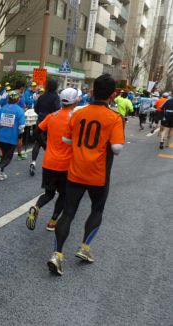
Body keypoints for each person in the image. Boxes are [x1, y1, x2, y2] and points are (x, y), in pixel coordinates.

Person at [47, 74, 125, 276]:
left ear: (91, 92)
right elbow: (116, 148)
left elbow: (66, 139)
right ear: (113, 95)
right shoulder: (115, 118)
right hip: (99, 174)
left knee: (69, 212)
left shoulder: (78, 114)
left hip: (75, 171)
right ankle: (84, 248)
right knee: (96, 210)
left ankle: (57, 255)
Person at [26, 88, 78, 231]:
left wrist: (45, 145)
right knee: (64, 194)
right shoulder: (75, 118)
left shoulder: (52, 116)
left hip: (49, 162)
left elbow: (36, 132)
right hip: (66, 165)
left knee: (49, 193)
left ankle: (36, 207)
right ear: (74, 101)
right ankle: (52, 222)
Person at [0, 91, 26, 181]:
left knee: (4, 155)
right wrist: (18, 133)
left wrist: (2, 126)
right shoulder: (19, 110)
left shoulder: (2, 108)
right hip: (12, 137)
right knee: (8, 157)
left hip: (1, 136)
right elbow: (22, 126)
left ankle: (1, 172)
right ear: (17, 100)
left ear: (8, 99)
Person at [29, 79, 61, 176]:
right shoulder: (56, 97)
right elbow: (57, 110)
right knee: (51, 143)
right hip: (51, 123)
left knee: (37, 142)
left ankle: (33, 162)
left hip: (40, 121)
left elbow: (36, 108)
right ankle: (51, 165)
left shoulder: (42, 97)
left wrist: (41, 115)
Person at [14, 80, 28, 160]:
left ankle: (1, 155)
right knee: (20, 137)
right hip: (18, 118)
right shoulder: (21, 96)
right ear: (21, 87)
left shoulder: (9, 94)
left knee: (7, 136)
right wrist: (25, 109)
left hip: (8, 116)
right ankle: (19, 155)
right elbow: (23, 109)